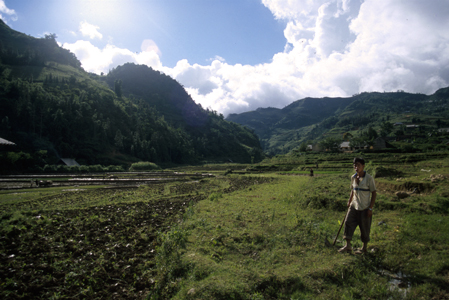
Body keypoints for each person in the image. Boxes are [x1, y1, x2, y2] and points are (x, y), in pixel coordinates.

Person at [338, 157, 377, 254]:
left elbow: (374, 193)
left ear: (363, 166)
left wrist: (370, 208)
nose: (356, 167)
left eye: (358, 165)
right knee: (348, 223)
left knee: (364, 227)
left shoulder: (369, 178)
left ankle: (364, 248)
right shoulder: (353, 177)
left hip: (364, 207)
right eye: (355, 165)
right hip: (354, 206)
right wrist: (349, 201)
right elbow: (353, 190)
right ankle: (348, 245)